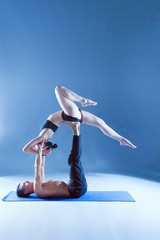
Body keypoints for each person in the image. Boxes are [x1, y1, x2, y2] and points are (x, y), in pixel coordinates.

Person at [23, 85, 136, 157]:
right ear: (43, 147)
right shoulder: (42, 138)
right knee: (58, 89)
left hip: (70, 116)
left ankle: (121, 139)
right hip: (70, 115)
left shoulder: (42, 139)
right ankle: (84, 100)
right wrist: (39, 150)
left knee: (101, 123)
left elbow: (27, 150)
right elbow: (25, 149)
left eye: (46, 151)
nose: (46, 150)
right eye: (47, 151)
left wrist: (38, 151)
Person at [16, 122, 87, 198]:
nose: (26, 181)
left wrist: (43, 154)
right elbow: (37, 167)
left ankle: (76, 131)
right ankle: (76, 130)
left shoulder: (40, 182)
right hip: (75, 190)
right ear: (26, 191)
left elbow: (41, 166)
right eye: (24, 184)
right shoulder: (38, 191)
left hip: (75, 186)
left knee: (73, 160)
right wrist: (39, 149)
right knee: (73, 160)